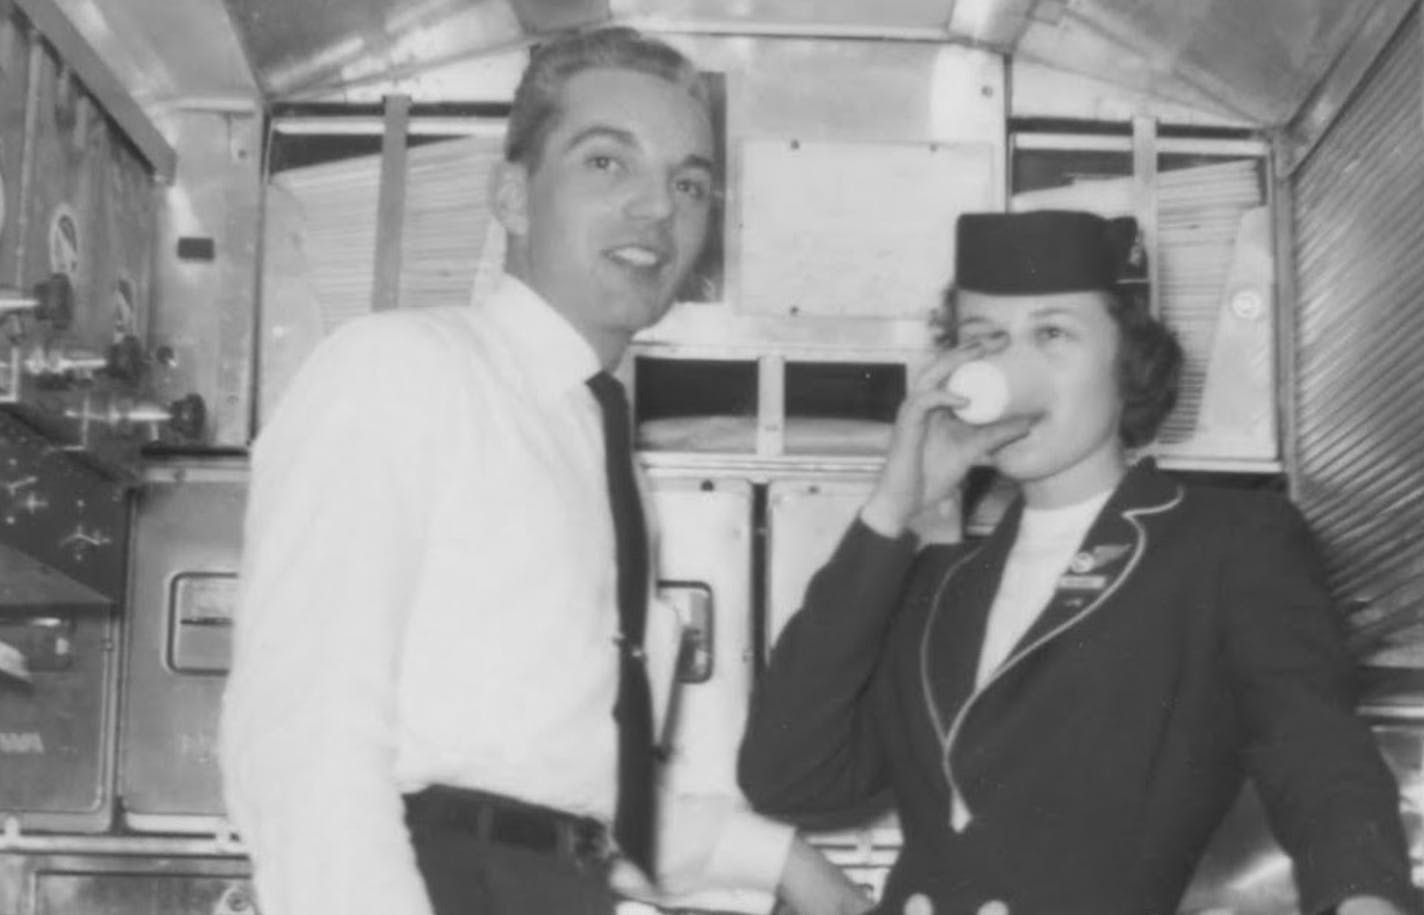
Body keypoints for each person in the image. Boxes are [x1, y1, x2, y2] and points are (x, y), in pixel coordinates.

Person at [221, 26, 870, 915]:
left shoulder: (594, 442)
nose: (656, 209)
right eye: (608, 164)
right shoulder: (403, 369)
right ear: (513, 196)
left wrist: (787, 861)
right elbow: (302, 730)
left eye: (688, 183)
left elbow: (565, 787)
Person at [738, 209, 1421, 915]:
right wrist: (891, 509)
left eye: (1052, 333)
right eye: (985, 340)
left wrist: (1363, 899)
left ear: (1128, 359)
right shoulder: (942, 580)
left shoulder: (1225, 542)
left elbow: (1316, 753)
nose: (1012, 365)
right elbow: (789, 777)